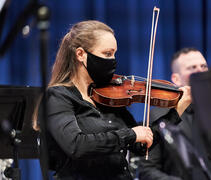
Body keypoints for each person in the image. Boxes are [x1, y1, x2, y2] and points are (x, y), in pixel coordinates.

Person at [32, 20, 191, 180]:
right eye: (107, 54)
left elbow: (141, 144)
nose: (113, 61)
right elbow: (76, 145)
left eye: (114, 54)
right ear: (81, 54)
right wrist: (130, 134)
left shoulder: (108, 97)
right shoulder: (58, 96)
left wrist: (176, 111)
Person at [139, 48, 211, 180]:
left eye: (203, 66)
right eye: (192, 68)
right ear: (176, 79)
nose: (200, 71)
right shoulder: (158, 115)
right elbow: (147, 170)